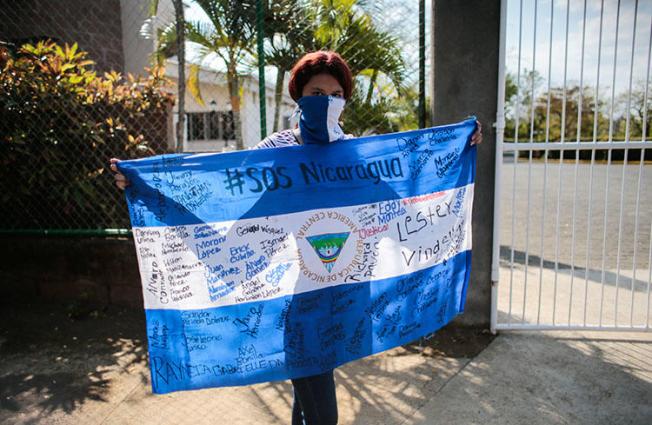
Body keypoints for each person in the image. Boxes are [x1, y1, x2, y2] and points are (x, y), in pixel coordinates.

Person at [111, 50, 482, 424]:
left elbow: (401, 203)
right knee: (323, 413)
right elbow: (224, 193)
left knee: (307, 399)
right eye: (317, 92)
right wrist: (144, 184)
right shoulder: (276, 152)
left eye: (336, 94)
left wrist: (460, 148)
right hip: (300, 301)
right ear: (299, 95)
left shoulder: (355, 155)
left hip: (348, 297)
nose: (327, 101)